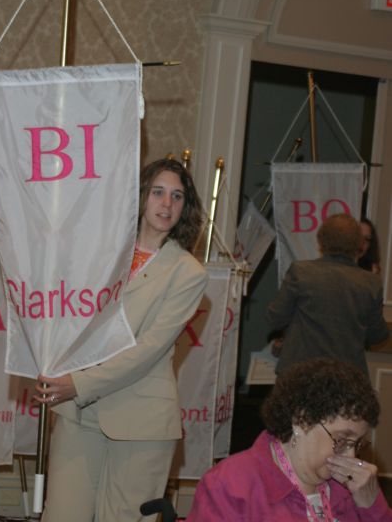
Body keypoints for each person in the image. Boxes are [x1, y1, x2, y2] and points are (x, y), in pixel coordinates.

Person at [34, 157, 208, 522]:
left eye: (177, 197)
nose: (166, 204)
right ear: (141, 195)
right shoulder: (98, 253)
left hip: (140, 421)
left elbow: (148, 350)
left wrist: (77, 384)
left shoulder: (188, 272)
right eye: (158, 192)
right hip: (78, 413)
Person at [187, 358, 392, 521]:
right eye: (341, 439)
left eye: (356, 444)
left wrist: (371, 505)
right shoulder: (232, 484)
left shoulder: (347, 487)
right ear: (301, 421)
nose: (350, 455)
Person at [266, 213, 389, 375]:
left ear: (321, 240)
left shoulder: (301, 272)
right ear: (358, 244)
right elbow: (377, 335)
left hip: (299, 374)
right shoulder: (371, 282)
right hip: (346, 376)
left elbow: (274, 319)